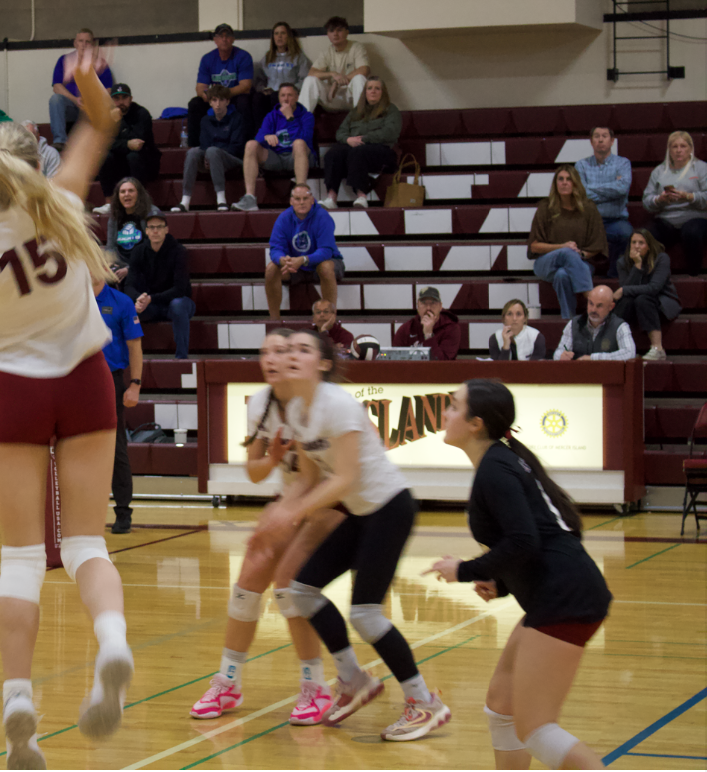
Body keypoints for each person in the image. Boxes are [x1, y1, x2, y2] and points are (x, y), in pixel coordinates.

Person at [0, 45, 132, 769]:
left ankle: (17, 703)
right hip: (83, 380)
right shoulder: (63, 198)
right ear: (33, 161)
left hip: (12, 390)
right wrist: (84, 80)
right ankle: (112, 641)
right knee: (85, 545)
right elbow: (102, 119)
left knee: (19, 558)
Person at [253, 328, 450, 741]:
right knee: (299, 591)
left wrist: (290, 516)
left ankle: (423, 702)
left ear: (323, 363)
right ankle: (353, 680)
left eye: (303, 350)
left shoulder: (337, 405)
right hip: (362, 515)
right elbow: (308, 478)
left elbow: (344, 478)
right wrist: (281, 510)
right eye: (287, 349)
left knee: (365, 613)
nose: (291, 355)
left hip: (390, 509)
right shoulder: (295, 412)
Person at [430, 378, 611, 770]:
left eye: (454, 406)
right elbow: (546, 534)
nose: (445, 413)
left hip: (564, 598)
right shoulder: (501, 460)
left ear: (476, 422)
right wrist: (501, 584)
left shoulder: (496, 468)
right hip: (559, 593)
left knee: (537, 728)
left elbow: (525, 541)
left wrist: (463, 570)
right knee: (502, 706)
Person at [188, 329, 345, 727]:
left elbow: (332, 479)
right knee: (245, 586)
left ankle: (316, 686)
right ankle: (228, 681)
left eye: (281, 351)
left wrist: (286, 511)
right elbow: (255, 474)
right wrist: (274, 459)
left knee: (289, 587)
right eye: (265, 352)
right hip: (297, 499)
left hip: (337, 502)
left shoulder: (322, 404)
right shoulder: (262, 403)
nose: (271, 359)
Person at [94, 277, 142, 534]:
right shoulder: (70, 298)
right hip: (75, 378)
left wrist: (135, 384)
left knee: (115, 446)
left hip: (110, 380)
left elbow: (134, 346)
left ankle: (123, 511)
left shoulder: (120, 302)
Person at [528, 165, 606, 319]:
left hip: (581, 262)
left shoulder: (589, 208)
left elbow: (598, 245)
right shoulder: (545, 207)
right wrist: (562, 247)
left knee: (562, 275)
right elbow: (534, 246)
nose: (564, 183)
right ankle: (593, 298)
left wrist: (581, 253)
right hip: (546, 263)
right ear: (555, 184)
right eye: (560, 179)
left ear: (576, 183)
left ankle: (569, 321)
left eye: (569, 179)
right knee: (566, 253)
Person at [320, 77, 399, 210]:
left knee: (358, 151)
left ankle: (362, 197)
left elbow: (390, 133)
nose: (373, 91)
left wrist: (364, 139)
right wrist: (348, 140)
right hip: (356, 149)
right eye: (369, 88)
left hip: (382, 151)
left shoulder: (391, 110)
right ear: (365, 92)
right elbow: (340, 133)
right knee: (333, 153)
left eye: (377, 88)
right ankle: (331, 197)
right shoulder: (356, 111)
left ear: (383, 92)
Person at [233, 82, 315, 211]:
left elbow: (304, 139)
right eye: (282, 95)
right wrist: (265, 137)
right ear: (278, 98)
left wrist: (290, 117)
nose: (286, 99)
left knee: (299, 144)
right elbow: (259, 137)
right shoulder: (272, 116)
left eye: (290, 95)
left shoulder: (307, 116)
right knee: (251, 145)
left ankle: (301, 195)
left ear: (297, 97)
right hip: (276, 157)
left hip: (298, 157)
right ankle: (249, 198)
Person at [265, 183, 343, 317]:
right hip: (296, 267)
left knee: (325, 267)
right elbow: (275, 248)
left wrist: (304, 259)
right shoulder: (283, 218)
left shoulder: (323, 216)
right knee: (272, 268)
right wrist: (282, 259)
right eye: (297, 199)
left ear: (312, 200)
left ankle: (330, 320)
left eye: (305, 199)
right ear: (291, 201)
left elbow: (326, 251)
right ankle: (274, 321)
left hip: (322, 264)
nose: (301, 202)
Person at [126, 215, 195, 359]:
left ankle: (181, 357)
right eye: (152, 227)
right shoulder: (138, 252)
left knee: (178, 305)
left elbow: (180, 289)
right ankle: (128, 359)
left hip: (177, 303)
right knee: (127, 308)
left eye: (159, 227)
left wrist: (151, 298)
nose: (155, 231)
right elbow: (129, 285)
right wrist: (139, 298)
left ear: (166, 230)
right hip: (151, 306)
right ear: (146, 231)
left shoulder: (179, 251)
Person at [642, 131, 707, 277]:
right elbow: (647, 200)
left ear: (690, 149)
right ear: (669, 150)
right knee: (646, 235)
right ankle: (650, 276)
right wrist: (659, 200)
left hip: (696, 217)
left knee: (691, 232)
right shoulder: (659, 171)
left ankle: (694, 274)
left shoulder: (701, 168)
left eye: (683, 146)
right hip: (667, 219)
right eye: (674, 146)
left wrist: (690, 197)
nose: (678, 150)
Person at [173, 85, 245, 212]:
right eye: (214, 100)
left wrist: (214, 155)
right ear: (210, 102)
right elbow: (204, 144)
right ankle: (185, 200)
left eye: (221, 100)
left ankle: (221, 200)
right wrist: (209, 156)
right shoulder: (205, 120)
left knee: (213, 151)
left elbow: (236, 147)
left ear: (227, 101)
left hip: (232, 160)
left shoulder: (236, 118)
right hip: (210, 159)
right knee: (192, 152)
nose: (218, 104)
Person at [614, 228, 680, 362]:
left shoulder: (661, 258)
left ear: (649, 246)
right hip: (636, 302)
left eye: (641, 243)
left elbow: (654, 288)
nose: (637, 246)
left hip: (662, 300)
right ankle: (614, 346)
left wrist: (624, 290)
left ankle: (658, 348)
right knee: (626, 302)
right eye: (634, 242)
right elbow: (626, 288)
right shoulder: (622, 262)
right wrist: (637, 266)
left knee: (643, 299)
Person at [574, 127, 632, 278]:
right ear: (591, 141)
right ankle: (584, 273)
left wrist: (591, 189)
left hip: (615, 220)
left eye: (605, 136)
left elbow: (622, 189)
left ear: (612, 141)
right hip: (588, 223)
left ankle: (615, 274)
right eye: (597, 136)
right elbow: (581, 194)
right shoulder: (581, 165)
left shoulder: (623, 163)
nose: (600, 140)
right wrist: (612, 188)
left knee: (627, 234)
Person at [186, 24, 253, 148]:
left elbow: (245, 86)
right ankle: (195, 148)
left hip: (234, 95)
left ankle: (245, 147)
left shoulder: (243, 56)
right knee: (195, 103)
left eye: (227, 36)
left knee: (245, 102)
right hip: (216, 96)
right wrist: (206, 95)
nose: (224, 39)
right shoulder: (207, 59)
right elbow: (200, 87)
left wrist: (222, 96)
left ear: (233, 39)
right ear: (215, 40)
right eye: (220, 36)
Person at [48, 28, 115, 149]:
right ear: (75, 43)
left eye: (87, 42)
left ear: (92, 44)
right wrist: (75, 99)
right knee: (55, 99)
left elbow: (108, 90)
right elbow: (57, 87)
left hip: (92, 109)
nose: (84, 45)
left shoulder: (100, 63)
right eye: (81, 41)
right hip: (72, 107)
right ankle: (60, 141)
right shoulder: (64, 61)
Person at [98, 83, 160, 197]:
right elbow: (104, 144)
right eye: (116, 98)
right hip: (119, 162)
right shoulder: (107, 116)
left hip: (144, 162)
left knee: (133, 156)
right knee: (105, 157)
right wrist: (126, 144)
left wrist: (118, 141)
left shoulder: (141, 114)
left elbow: (138, 143)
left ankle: (139, 199)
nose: (120, 102)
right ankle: (109, 201)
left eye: (124, 98)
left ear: (130, 99)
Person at [300, 16, 370, 117]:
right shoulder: (326, 52)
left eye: (339, 30)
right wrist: (332, 74)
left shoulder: (356, 47)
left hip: (350, 96)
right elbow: (312, 73)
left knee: (359, 79)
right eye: (331, 31)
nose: (335, 34)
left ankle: (361, 122)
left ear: (347, 32)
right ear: (328, 34)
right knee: (310, 80)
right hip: (332, 97)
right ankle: (301, 124)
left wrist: (337, 83)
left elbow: (364, 70)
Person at [553, 284, 636, 362]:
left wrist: (593, 358)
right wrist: (560, 355)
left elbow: (629, 353)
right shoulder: (574, 324)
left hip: (607, 375)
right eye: (591, 303)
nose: (593, 310)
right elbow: (559, 352)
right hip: (578, 374)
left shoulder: (620, 326)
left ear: (611, 307)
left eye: (599, 306)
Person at [252, 22, 311, 126]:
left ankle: (278, 130)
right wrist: (262, 89)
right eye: (276, 33)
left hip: (287, 94)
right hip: (270, 93)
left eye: (283, 33)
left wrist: (291, 90)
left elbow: (304, 80)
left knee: (276, 96)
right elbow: (260, 79)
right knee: (257, 98)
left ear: (289, 36)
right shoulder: (267, 57)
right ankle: (260, 134)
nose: (279, 36)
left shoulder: (298, 57)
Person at [105, 178, 163, 283]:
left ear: (139, 194)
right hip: (121, 264)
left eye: (131, 191)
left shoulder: (152, 213)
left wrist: (130, 269)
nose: (126, 194)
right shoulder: (115, 216)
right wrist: (110, 263)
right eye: (122, 192)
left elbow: (155, 248)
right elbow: (110, 247)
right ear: (118, 196)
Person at [394, 287, 461, 360]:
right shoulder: (406, 329)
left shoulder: (451, 329)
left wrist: (428, 335)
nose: (428, 308)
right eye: (424, 303)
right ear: (418, 306)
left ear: (440, 306)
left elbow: (443, 365)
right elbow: (395, 361)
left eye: (433, 303)